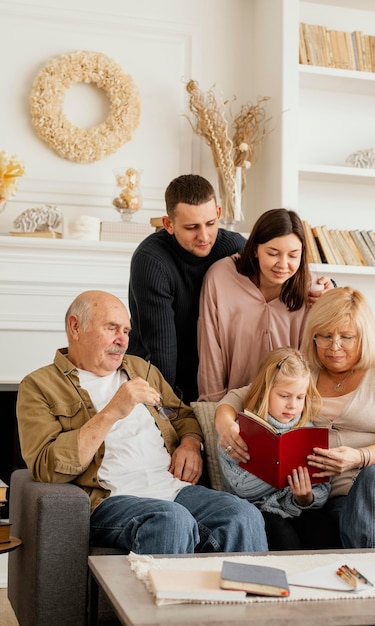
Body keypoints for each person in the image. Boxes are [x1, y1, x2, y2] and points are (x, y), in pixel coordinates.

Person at [16, 290, 268, 555]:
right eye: (112, 328)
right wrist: (113, 411)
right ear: (76, 327)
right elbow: (46, 466)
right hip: (110, 500)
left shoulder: (141, 369)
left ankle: (239, 597)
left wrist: (191, 444)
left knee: (242, 514)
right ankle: (166, 598)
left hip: (172, 488)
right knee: (171, 520)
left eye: (126, 331)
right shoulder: (39, 386)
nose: (122, 340)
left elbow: (181, 416)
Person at [215, 286, 375, 548]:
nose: (334, 347)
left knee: (373, 479)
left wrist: (360, 458)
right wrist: (224, 422)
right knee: (342, 521)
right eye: (324, 336)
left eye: (346, 337)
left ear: (364, 336)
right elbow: (243, 395)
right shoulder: (305, 373)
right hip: (345, 499)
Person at [127, 174, 246, 404]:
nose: (204, 236)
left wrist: (323, 286)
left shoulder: (235, 247)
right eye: (191, 227)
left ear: (219, 213)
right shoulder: (151, 260)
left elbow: (280, 275)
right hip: (154, 377)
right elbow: (162, 349)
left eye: (210, 224)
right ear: (168, 224)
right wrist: (171, 413)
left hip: (212, 376)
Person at [197, 208, 334, 401]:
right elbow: (210, 347)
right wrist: (213, 407)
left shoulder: (312, 290)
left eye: (293, 255)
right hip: (231, 404)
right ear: (254, 249)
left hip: (289, 408)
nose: (283, 264)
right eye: (273, 253)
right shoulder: (220, 277)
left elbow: (313, 360)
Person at [218, 347, 331, 550]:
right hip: (258, 509)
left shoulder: (307, 431)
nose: (292, 405)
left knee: (322, 534)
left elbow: (322, 487)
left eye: (299, 397)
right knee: (283, 539)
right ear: (265, 390)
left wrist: (305, 498)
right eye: (284, 396)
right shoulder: (238, 432)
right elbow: (241, 486)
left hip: (299, 508)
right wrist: (281, 472)